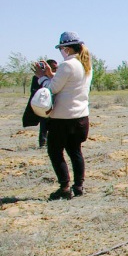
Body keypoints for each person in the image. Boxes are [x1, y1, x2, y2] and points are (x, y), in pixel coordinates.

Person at [33, 32, 93, 200]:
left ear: (66, 49)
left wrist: (41, 78)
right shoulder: (85, 65)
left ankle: (64, 187)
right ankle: (78, 186)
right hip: (81, 117)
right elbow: (69, 83)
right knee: (75, 151)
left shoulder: (67, 65)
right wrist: (51, 74)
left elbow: (52, 89)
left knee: (55, 151)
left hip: (62, 119)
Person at [24, 59, 58, 148]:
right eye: (53, 68)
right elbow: (34, 91)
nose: (55, 70)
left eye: (56, 68)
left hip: (55, 105)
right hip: (43, 105)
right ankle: (43, 142)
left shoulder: (56, 77)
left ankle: (52, 142)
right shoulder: (37, 77)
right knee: (44, 124)